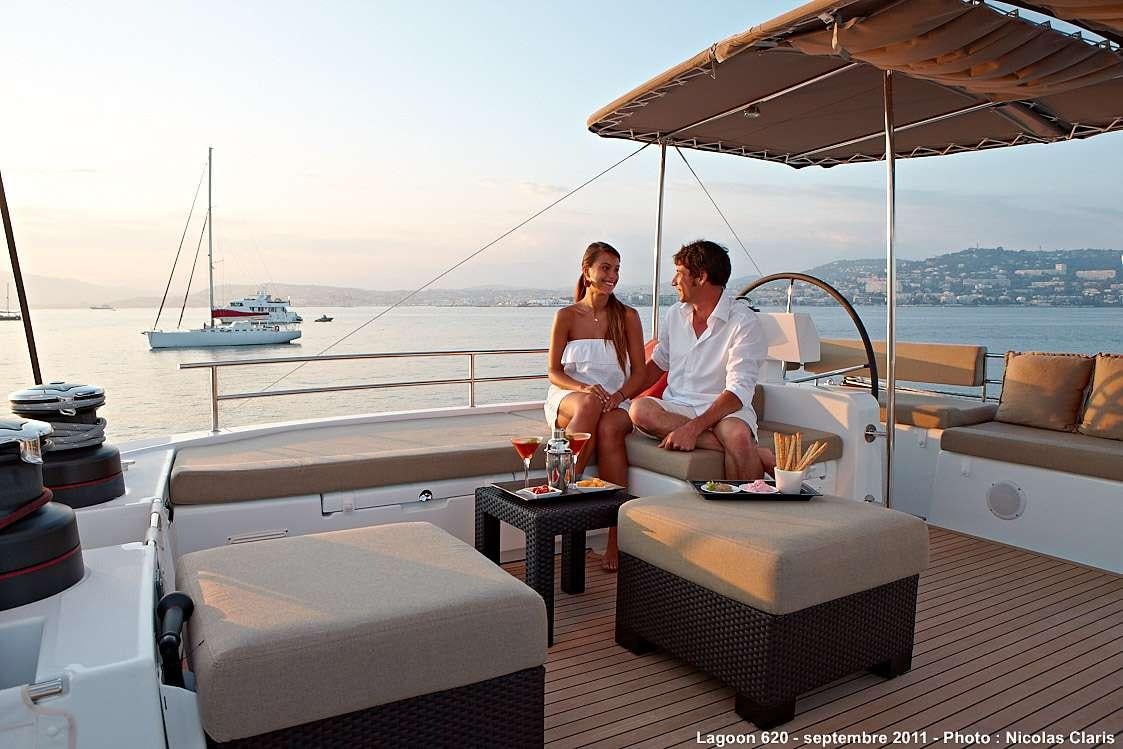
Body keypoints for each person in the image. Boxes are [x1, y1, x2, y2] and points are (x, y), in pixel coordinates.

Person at [629, 240, 775, 480]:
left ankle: (751, 515)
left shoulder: (743, 322)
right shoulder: (675, 314)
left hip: (724, 409)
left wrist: (692, 429)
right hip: (679, 405)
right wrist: (619, 395)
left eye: (679, 274)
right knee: (640, 410)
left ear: (701, 277)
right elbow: (658, 364)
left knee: (737, 435)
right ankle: (755, 453)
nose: (674, 282)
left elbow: (738, 392)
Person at [545, 242, 645, 571]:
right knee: (589, 404)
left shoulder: (627, 316)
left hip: (615, 400)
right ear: (587, 271)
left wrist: (617, 397)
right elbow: (554, 371)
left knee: (611, 427)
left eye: (616, 269)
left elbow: (640, 373)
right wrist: (584, 387)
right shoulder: (567, 316)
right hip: (570, 398)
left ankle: (616, 541)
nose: (612, 275)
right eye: (605, 268)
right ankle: (563, 494)